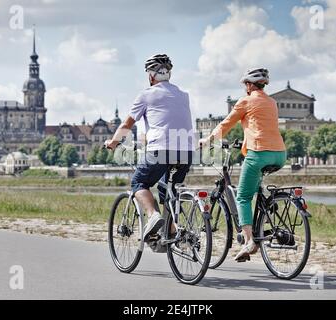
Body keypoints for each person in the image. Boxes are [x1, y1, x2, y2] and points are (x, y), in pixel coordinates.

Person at [105, 53, 195, 244]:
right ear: (169, 74)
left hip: (160, 149)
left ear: (151, 75)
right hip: (186, 152)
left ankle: (153, 215)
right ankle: (170, 233)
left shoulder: (146, 94)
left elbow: (127, 125)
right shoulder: (183, 95)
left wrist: (113, 142)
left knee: (138, 183)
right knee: (168, 191)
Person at [198, 67, 286, 262]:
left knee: (243, 197)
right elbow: (261, 126)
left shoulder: (246, 101)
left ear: (248, 85)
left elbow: (226, 124)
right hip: (280, 154)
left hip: (258, 154)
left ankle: (249, 242)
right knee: (255, 187)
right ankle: (264, 210)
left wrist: (208, 140)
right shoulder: (272, 102)